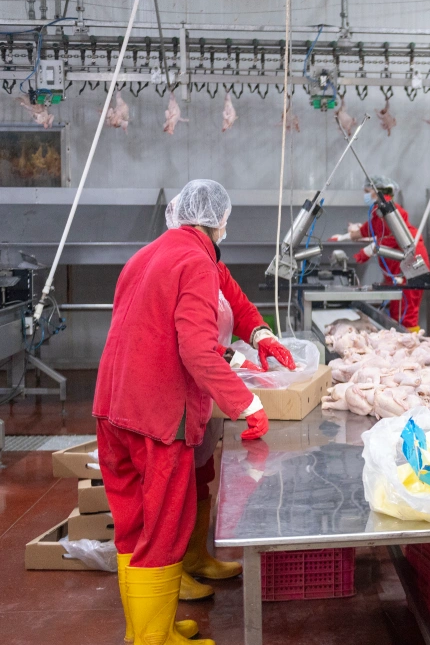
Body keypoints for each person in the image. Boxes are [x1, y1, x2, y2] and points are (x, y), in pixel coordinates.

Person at [94, 180, 270, 645]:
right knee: (164, 529)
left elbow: (152, 325)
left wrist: (260, 333)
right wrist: (247, 403)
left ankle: (144, 631)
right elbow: (195, 349)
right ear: (219, 221)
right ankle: (155, 639)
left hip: (112, 407)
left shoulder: (147, 255)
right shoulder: (195, 262)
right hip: (158, 415)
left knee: (133, 527)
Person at [162, 197, 297, 601]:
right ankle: (169, 575)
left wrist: (261, 334)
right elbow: (190, 341)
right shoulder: (184, 262)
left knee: (199, 474)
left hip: (205, 389)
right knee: (173, 484)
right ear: (209, 219)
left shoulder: (210, 260)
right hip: (177, 391)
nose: (225, 224)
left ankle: (195, 557)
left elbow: (235, 302)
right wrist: (243, 391)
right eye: (222, 218)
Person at [346, 175, 430, 331]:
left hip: (413, 260)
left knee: (406, 311)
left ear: (377, 191)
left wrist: (368, 251)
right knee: (398, 309)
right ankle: (404, 339)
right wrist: (345, 237)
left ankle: (410, 342)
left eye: (367, 192)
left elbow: (393, 237)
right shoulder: (379, 211)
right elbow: (368, 229)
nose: (365, 195)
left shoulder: (391, 211)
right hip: (402, 263)